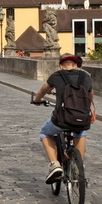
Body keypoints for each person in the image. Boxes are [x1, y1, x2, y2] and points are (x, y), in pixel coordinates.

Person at [32, 54, 94, 184]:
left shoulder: (57, 76)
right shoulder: (85, 77)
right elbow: (90, 96)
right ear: (76, 65)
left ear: (61, 66)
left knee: (44, 133)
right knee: (81, 131)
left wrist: (37, 100)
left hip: (62, 119)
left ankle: (55, 165)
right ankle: (79, 167)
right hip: (82, 118)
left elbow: (42, 91)